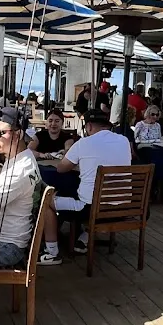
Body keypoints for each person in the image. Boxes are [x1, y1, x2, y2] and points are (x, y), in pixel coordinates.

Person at [38, 110, 132, 264]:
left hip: (91, 210)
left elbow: (61, 168)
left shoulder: (83, 143)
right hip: (122, 207)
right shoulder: (124, 141)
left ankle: (51, 252)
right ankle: (83, 237)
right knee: (86, 194)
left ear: (88, 126)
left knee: (47, 200)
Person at [0, 107, 43, 269]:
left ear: (18, 135)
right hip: (8, 241)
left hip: (6, 247)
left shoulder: (21, 170)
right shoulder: (22, 158)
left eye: (0, 133)